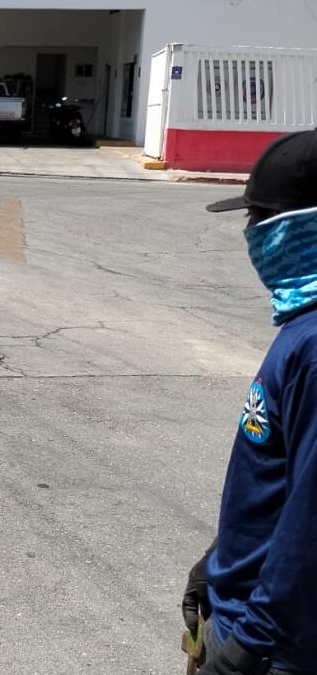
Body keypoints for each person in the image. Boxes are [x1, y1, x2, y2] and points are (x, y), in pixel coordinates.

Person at [181, 129, 317, 674]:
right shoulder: (302, 327)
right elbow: (280, 488)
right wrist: (214, 566)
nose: (251, 234)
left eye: (260, 218)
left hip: (273, 651)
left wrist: (245, 650)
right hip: (244, 621)